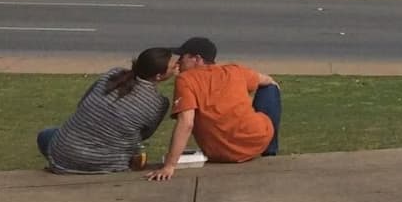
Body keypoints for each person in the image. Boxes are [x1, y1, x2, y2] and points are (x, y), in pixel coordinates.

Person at [147, 37, 280, 181]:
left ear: (197, 59)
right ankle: (270, 152)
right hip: (256, 143)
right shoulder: (234, 71)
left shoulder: (186, 80)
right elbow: (266, 80)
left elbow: (186, 122)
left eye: (183, 57)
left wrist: (169, 166)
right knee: (270, 89)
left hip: (218, 153)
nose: (178, 62)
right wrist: (273, 84)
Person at [37, 47, 177, 174]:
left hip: (64, 152)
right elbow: (144, 134)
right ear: (158, 76)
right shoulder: (158, 103)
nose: (177, 66)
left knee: (46, 134)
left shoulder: (113, 74)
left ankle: (65, 162)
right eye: (173, 66)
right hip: (107, 163)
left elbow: (83, 102)